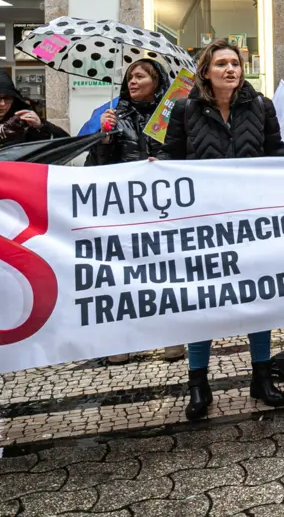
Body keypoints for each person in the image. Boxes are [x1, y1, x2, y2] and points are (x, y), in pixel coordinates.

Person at [159, 39, 284, 421]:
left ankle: (261, 376)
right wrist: (154, 166)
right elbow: (172, 158)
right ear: (206, 71)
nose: (230, 69)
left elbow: (274, 152)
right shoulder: (185, 110)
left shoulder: (261, 107)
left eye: (235, 63)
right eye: (221, 63)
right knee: (203, 301)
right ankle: (198, 383)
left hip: (250, 221)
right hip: (203, 223)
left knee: (258, 297)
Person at [86, 59, 185, 364]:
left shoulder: (172, 115)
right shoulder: (114, 116)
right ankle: (122, 340)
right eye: (129, 77)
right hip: (125, 208)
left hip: (163, 206)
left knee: (166, 272)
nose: (132, 81)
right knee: (125, 275)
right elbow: (96, 167)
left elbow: (183, 153)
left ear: (156, 82)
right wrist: (103, 138)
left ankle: (172, 336)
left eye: (140, 76)